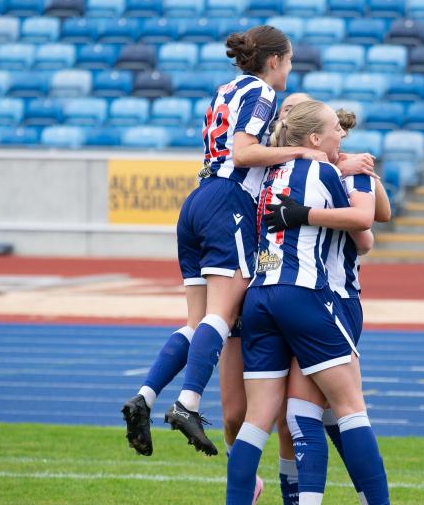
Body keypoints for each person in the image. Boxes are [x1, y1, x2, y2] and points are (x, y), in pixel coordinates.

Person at [218, 100, 418, 505]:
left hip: (261, 296)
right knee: (346, 409)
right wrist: (338, 180)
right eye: (332, 131)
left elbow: (369, 213)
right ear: (312, 138)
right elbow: (365, 233)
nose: (339, 138)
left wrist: (353, 174)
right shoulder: (331, 171)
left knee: (273, 417)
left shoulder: (269, 174)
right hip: (315, 296)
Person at [120, 25, 329, 458]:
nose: (289, 69)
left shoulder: (225, 88)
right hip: (228, 201)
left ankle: (146, 395)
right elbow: (244, 153)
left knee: (198, 322)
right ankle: (188, 402)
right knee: (223, 310)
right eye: (288, 61)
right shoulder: (262, 92)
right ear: (274, 60)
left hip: (197, 200)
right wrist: (301, 152)